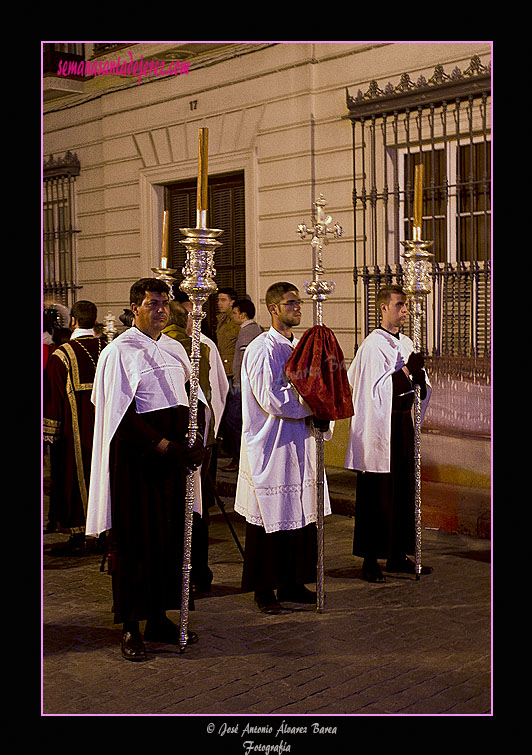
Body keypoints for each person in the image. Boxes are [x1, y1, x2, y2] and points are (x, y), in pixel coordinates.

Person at [86, 278, 207, 662]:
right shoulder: (119, 351)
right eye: (153, 303)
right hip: (138, 464)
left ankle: (159, 617)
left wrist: (197, 436)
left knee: (170, 540)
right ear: (135, 306)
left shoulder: (176, 348)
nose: (162, 310)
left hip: (173, 463)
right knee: (137, 542)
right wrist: (164, 445)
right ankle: (131, 627)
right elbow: (118, 417)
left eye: (165, 303)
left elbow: (195, 397)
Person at [234, 282, 332, 614]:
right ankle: (265, 589)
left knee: (300, 514)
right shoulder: (263, 347)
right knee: (270, 518)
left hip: (299, 441)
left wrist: (321, 405)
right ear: (273, 308)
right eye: (291, 303)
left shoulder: (301, 347)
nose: (298, 308)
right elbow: (272, 396)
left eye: (299, 302)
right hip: (271, 444)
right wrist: (312, 404)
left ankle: (293, 582)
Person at [344, 284, 432, 583]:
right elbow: (372, 391)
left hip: (403, 425)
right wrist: (406, 373)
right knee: (377, 494)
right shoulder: (372, 345)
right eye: (399, 305)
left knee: (404, 490)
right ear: (383, 308)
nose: (405, 310)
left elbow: (416, 386)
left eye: (406, 305)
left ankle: (398, 554)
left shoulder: (406, 341)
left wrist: (419, 381)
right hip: (379, 428)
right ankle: (370, 559)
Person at [163, 299, 229, 592]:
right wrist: (210, 433)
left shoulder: (173, 347)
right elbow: (218, 392)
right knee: (197, 506)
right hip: (202, 439)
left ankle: (179, 573)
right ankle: (200, 573)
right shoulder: (203, 346)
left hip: (169, 445)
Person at [43, 300, 106, 552]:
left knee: (73, 477)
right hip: (105, 430)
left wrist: (50, 432)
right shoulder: (108, 348)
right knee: (103, 477)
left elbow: (53, 397)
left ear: (73, 321)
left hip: (74, 434)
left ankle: (78, 534)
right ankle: (104, 531)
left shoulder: (62, 354)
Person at [222, 298, 263, 471]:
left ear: (243, 314)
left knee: (234, 421)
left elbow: (246, 359)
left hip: (241, 385)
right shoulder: (254, 329)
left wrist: (239, 382)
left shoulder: (248, 331)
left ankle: (239, 459)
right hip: (244, 384)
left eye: (235, 312)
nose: (233, 316)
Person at [216, 287, 241, 466]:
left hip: (233, 374)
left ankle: (238, 457)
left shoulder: (235, 322)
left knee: (234, 417)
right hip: (225, 373)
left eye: (223, 300)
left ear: (232, 302)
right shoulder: (222, 321)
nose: (219, 303)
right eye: (219, 300)